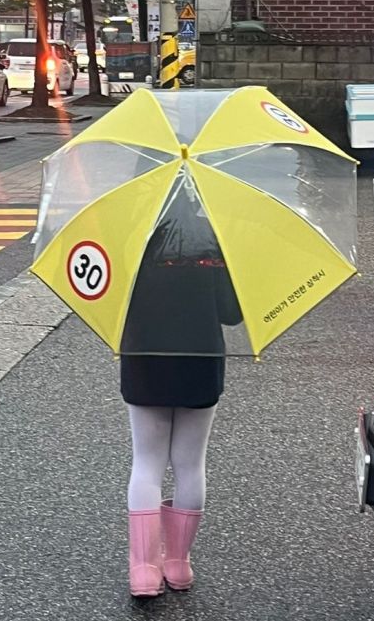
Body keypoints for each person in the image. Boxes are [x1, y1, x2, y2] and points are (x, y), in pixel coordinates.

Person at [119, 186, 241, 598]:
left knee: (147, 462)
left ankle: (143, 572)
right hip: (201, 358)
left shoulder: (130, 235)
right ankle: (179, 564)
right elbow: (231, 312)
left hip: (144, 355)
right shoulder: (211, 237)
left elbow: (110, 302)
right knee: (190, 464)